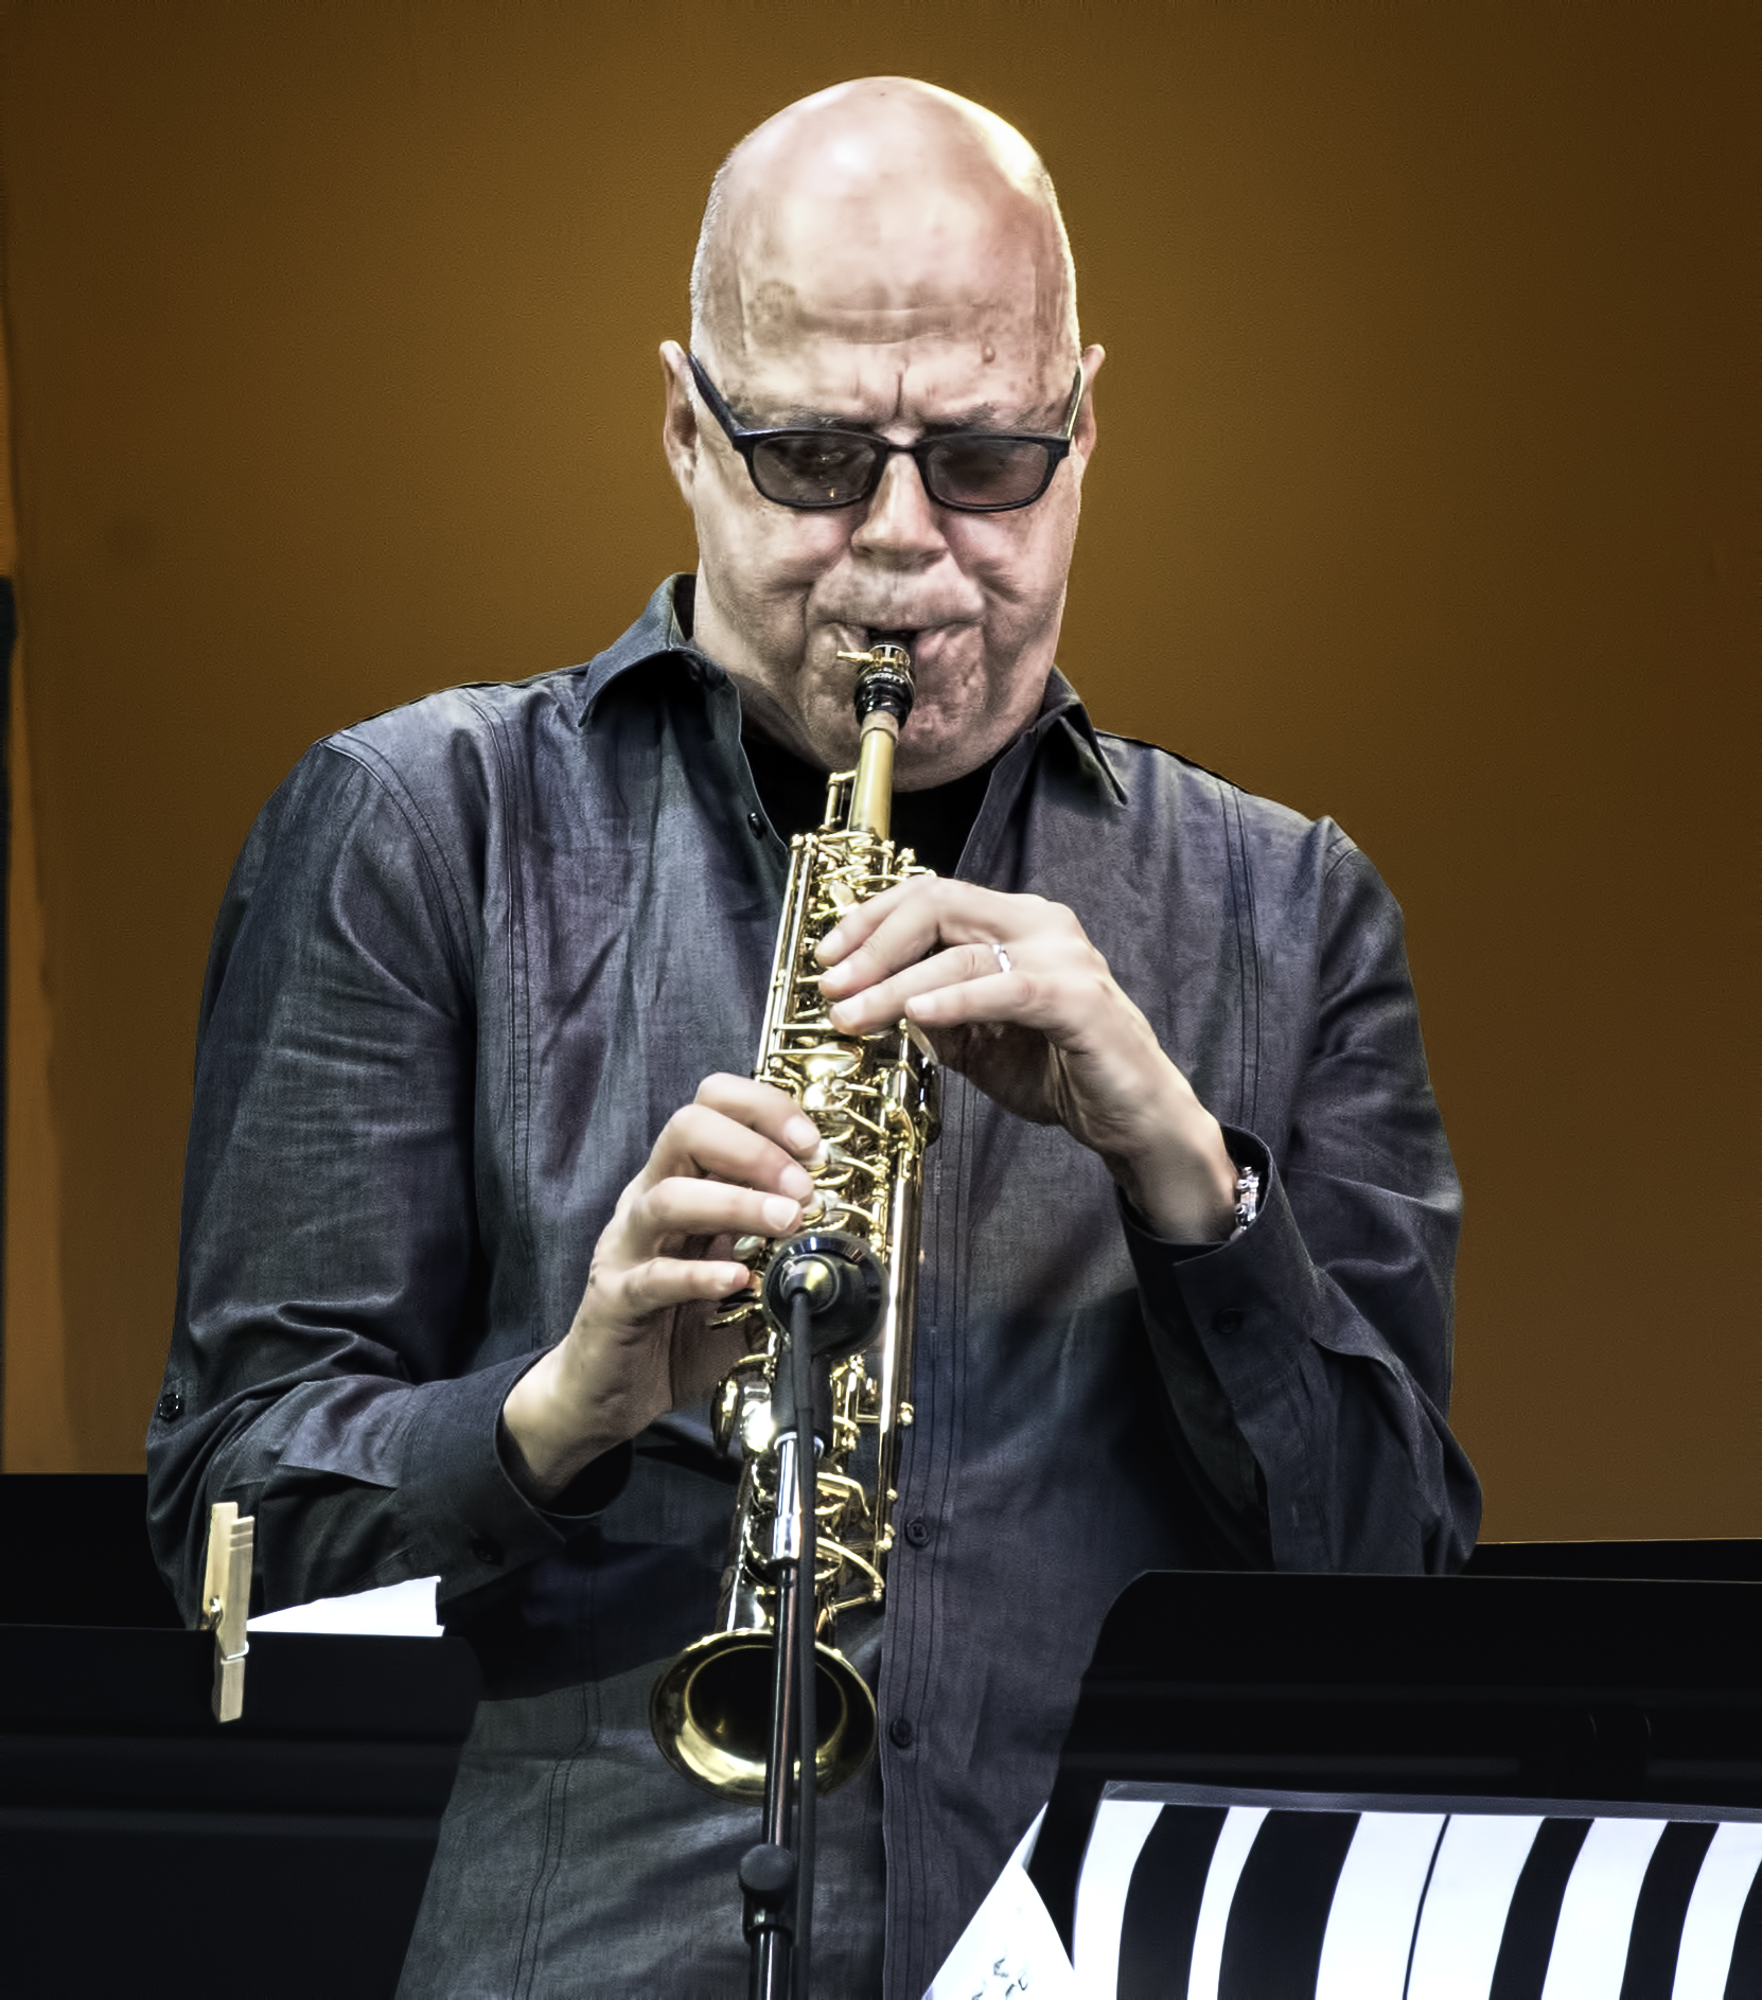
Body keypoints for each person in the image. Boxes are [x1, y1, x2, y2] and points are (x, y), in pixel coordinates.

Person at [147, 77, 1480, 1998]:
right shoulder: (413, 826)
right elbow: (231, 1530)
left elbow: (1396, 1583)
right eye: (812, 460)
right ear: (684, 425)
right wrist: (566, 1405)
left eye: (990, 462)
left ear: (1086, 428)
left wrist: (1194, 1188)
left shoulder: (1288, 904)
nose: (903, 551)